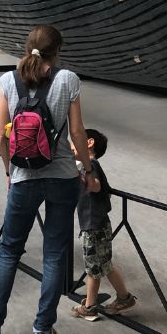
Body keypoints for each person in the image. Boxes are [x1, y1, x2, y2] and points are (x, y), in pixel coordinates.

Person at [0, 25, 98, 334]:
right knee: (55, 253)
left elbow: (1, 135)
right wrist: (85, 169)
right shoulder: (68, 79)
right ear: (58, 50)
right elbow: (77, 131)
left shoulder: (7, 80)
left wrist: (8, 170)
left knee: (10, 251)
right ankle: (42, 332)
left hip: (23, 177)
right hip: (62, 178)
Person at [72, 128, 136, 322]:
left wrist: (80, 176)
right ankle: (124, 298)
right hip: (98, 223)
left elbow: (96, 185)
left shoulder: (90, 165)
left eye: (75, 142)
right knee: (104, 265)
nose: (72, 145)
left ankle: (90, 307)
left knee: (93, 267)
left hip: (93, 225)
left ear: (89, 143)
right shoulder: (85, 165)